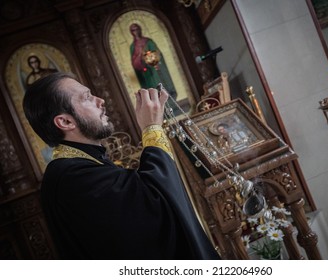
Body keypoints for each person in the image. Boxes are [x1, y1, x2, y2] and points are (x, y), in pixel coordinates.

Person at [22, 72, 220, 260]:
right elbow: (154, 204)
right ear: (65, 121)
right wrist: (152, 128)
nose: (101, 101)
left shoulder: (79, 165)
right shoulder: (71, 179)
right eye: (87, 98)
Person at [129, 23, 177, 100]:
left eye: (137, 29)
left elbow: (157, 53)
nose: (136, 31)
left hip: (155, 69)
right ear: (131, 32)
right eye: (133, 30)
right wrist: (139, 58)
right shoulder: (132, 47)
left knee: (162, 86)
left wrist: (151, 58)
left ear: (140, 29)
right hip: (145, 72)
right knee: (153, 90)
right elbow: (134, 61)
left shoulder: (148, 41)